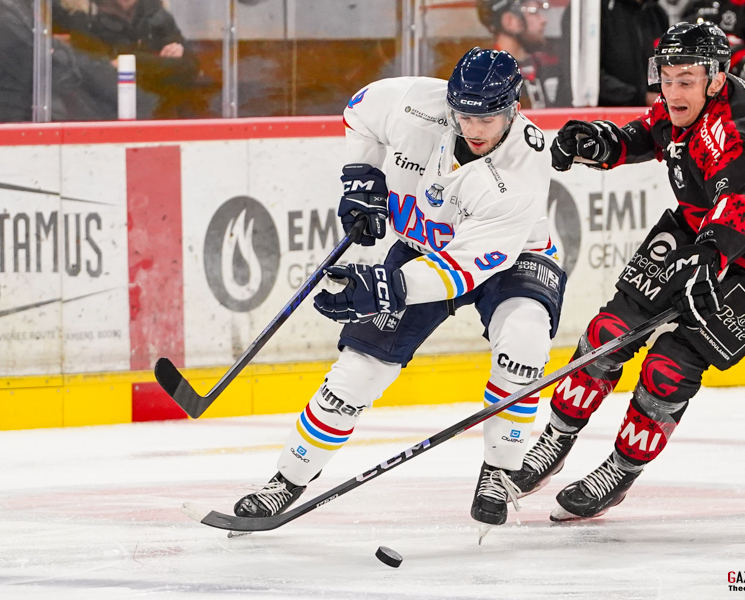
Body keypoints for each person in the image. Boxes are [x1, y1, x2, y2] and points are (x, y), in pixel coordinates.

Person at [512, 22, 745, 521]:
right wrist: (605, 143)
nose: (672, 92)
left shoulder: (737, 131)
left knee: (670, 365)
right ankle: (554, 441)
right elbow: (655, 131)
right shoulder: (694, 101)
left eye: (685, 81)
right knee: (608, 332)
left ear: (716, 79)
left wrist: (708, 259)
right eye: (666, 79)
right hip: (707, 225)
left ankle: (620, 470)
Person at [233, 48, 565, 533]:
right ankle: (287, 479)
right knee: (358, 370)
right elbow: (360, 112)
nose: (473, 128)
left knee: (524, 339)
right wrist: (361, 175)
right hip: (422, 249)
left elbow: (463, 270)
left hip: (513, 258)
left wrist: (384, 287)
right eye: (464, 114)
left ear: (514, 107)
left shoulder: (522, 170)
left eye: (487, 118)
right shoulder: (415, 103)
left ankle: (500, 470)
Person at [54, 0, 200, 118]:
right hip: (105, 115)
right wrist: (160, 63)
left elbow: (191, 66)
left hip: (161, 114)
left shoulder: (158, 15)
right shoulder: (87, 17)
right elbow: (97, 71)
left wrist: (130, 62)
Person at [0, 0, 120, 122]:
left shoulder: (22, 7)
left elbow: (53, 52)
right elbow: (49, 66)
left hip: (25, 115)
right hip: (10, 122)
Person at [557, 0, 669, 107]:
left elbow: (666, 69)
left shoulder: (656, 14)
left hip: (649, 114)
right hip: (598, 115)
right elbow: (581, 78)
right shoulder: (589, 10)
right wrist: (642, 98)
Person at [477, 1, 567, 108]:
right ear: (509, 21)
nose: (543, 20)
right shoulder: (485, 76)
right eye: (533, 12)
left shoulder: (548, 64)